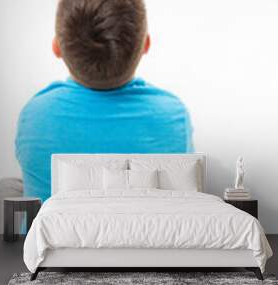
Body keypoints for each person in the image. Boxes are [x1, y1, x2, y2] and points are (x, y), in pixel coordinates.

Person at [16, 0, 194, 201]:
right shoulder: (173, 115)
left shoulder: (35, 115)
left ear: (56, 46)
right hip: (146, 231)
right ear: (146, 44)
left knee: (10, 188)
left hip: (54, 232)